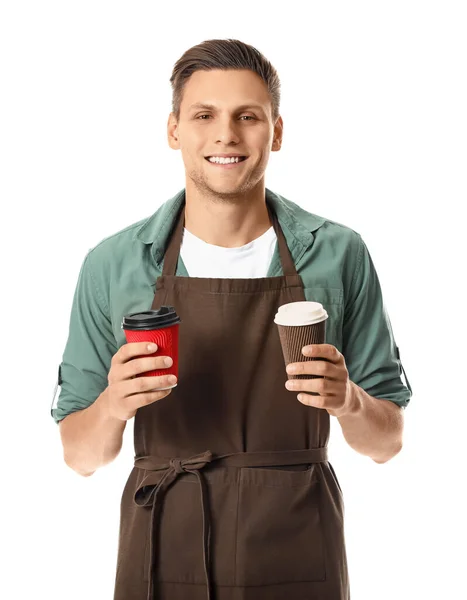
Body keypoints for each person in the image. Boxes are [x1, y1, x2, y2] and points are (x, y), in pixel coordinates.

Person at [51, 38, 413, 600]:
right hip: (162, 539)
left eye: (249, 116)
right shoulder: (114, 264)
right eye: (204, 115)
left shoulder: (338, 254)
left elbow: (387, 442)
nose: (227, 135)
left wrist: (349, 399)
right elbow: (79, 455)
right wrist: (113, 405)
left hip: (297, 539)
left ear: (277, 131)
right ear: (174, 130)